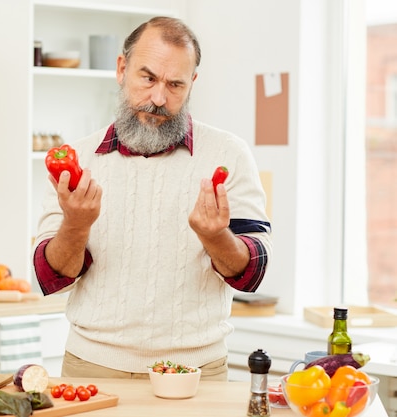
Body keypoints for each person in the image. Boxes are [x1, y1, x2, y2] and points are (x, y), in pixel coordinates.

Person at [33, 16, 272, 381]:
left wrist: (216, 237)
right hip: (93, 369)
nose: (159, 98)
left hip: (198, 373)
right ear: (121, 69)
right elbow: (49, 276)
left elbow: (253, 273)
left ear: (192, 83)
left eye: (175, 84)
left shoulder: (230, 153)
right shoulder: (78, 159)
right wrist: (76, 226)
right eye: (148, 78)